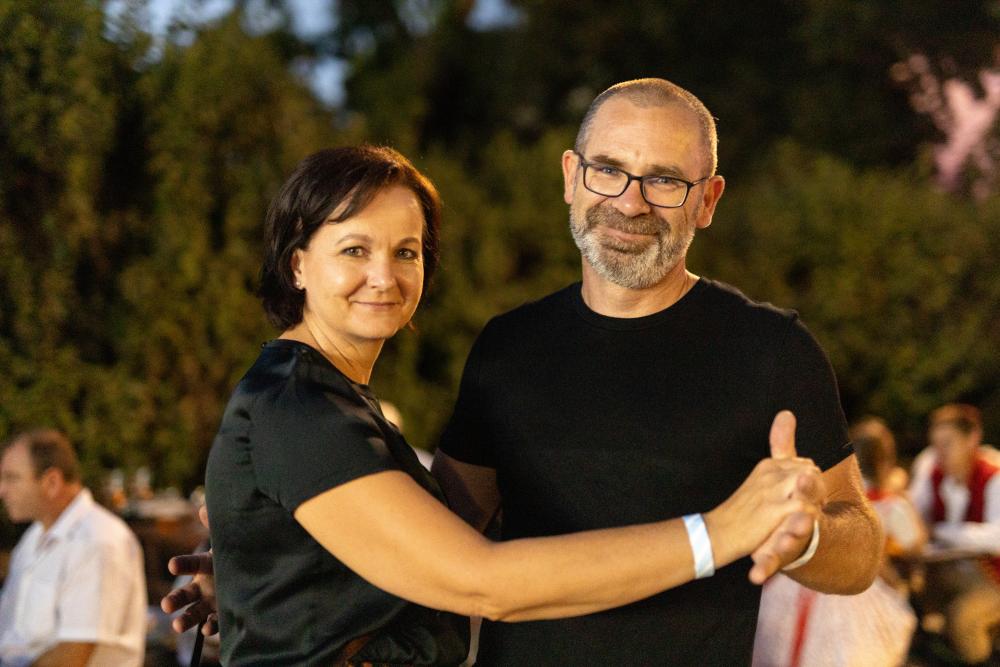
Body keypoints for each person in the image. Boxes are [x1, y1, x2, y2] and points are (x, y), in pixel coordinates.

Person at [165, 80, 882, 664]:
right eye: (609, 170)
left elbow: (862, 546)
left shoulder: (770, 349)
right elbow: (449, 538)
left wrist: (804, 537)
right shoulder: (507, 348)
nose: (630, 201)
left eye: (664, 180)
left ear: (708, 199)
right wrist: (275, 570)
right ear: (572, 177)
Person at [753, 417, 922, 667]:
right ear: (886, 461)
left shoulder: (825, 496)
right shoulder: (891, 506)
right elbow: (916, 545)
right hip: (860, 597)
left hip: (801, 586)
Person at [0, 429, 147, 667]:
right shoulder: (35, 535)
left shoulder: (98, 541)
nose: (2, 491)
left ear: (51, 482)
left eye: (12, 478)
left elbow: (72, 655)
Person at [908, 403, 1000, 663]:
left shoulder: (994, 477)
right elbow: (913, 513)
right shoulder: (931, 466)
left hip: (993, 577)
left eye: (947, 444)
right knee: (908, 604)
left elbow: (997, 538)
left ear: (972, 439)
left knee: (964, 621)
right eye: (936, 444)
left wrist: (941, 531)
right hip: (949, 569)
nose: (940, 452)